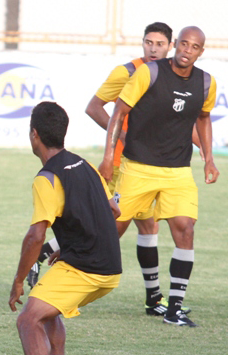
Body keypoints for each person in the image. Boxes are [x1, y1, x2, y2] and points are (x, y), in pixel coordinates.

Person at [30, 23, 191, 318]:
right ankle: (44, 254)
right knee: (110, 227)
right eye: (148, 42)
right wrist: (121, 141)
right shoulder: (127, 72)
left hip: (153, 165)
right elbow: (95, 107)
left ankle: (154, 299)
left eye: (160, 43)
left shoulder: (173, 77)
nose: (153, 48)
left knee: (147, 226)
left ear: (171, 46)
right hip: (126, 164)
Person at [3, 102, 121, 355]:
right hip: (110, 269)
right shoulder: (85, 165)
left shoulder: (47, 178)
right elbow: (113, 210)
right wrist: (61, 247)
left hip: (86, 267)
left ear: (34, 135)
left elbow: (35, 235)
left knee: (28, 319)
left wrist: (18, 281)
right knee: (49, 308)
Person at [98, 26, 219, 328]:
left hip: (178, 171)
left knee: (185, 229)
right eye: (183, 44)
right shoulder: (148, 73)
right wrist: (107, 158)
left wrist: (209, 159)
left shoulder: (206, 82)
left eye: (194, 47)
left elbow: (203, 119)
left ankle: (172, 308)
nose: (187, 50)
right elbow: (117, 113)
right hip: (137, 168)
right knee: (108, 231)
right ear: (176, 45)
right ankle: (55, 256)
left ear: (200, 51)